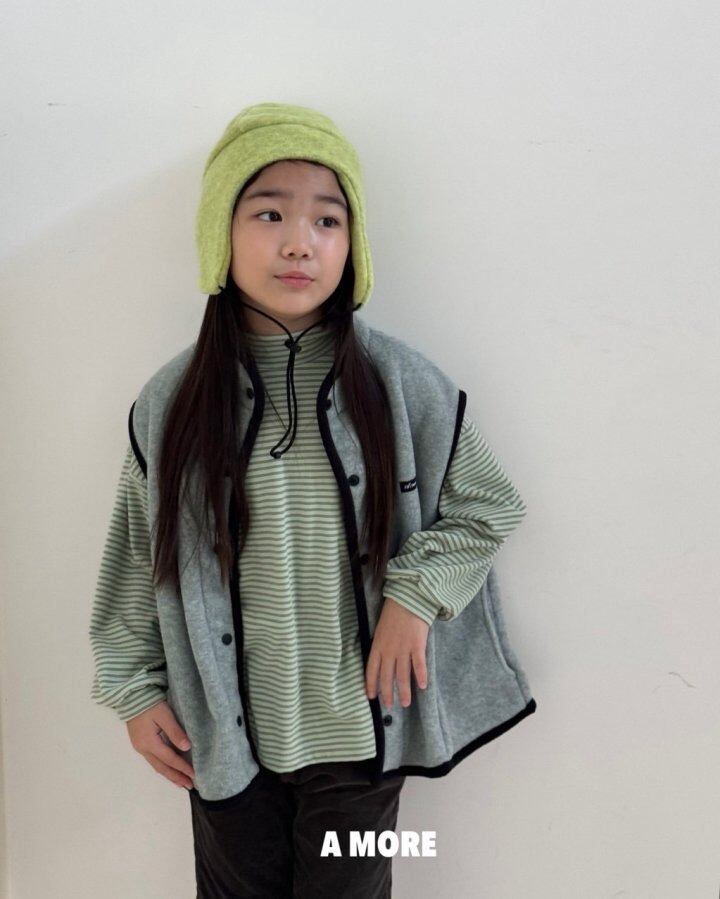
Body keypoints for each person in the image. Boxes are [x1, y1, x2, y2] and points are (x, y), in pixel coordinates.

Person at [88, 101, 537, 898]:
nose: (300, 241)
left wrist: (414, 597)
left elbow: (487, 505)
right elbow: (135, 552)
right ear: (220, 235)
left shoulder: (402, 383)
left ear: (353, 245)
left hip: (361, 735)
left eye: (328, 220)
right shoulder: (171, 401)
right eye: (270, 213)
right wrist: (133, 688)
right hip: (226, 737)